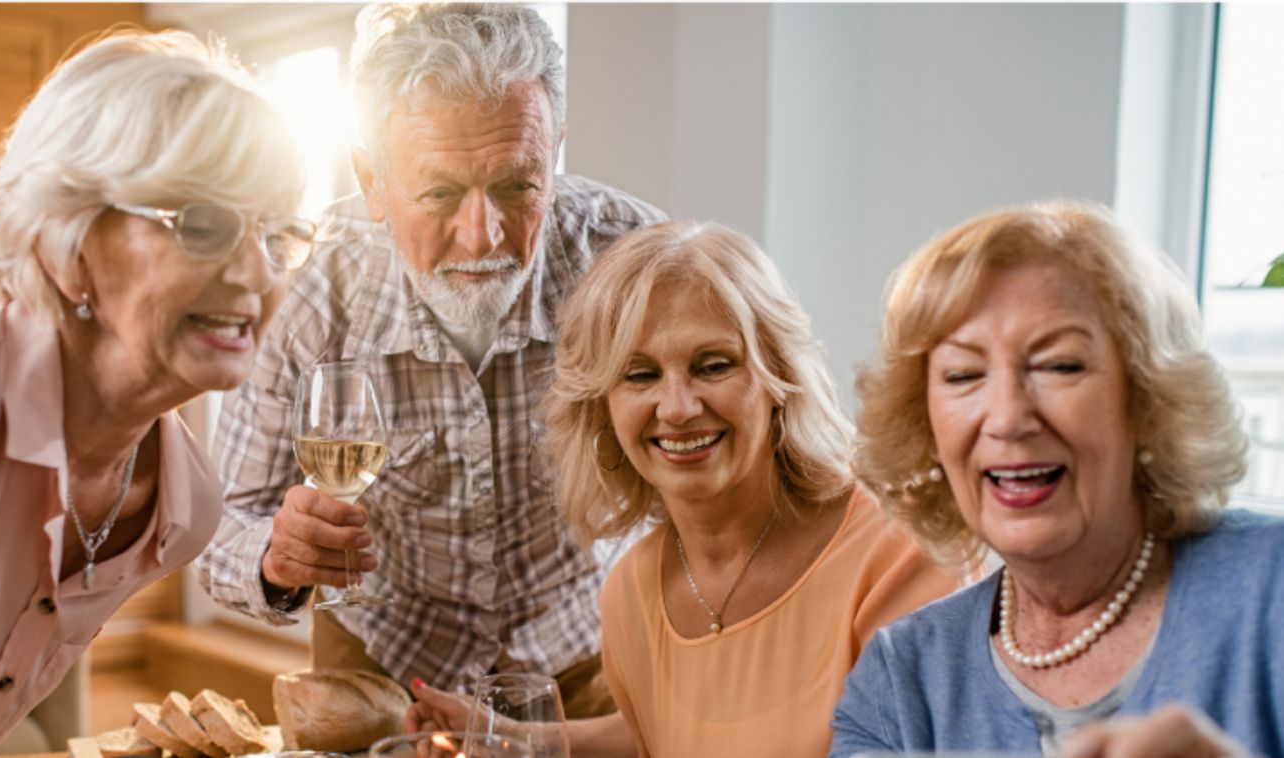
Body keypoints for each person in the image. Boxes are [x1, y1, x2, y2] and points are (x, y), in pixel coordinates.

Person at [197, 3, 664, 715]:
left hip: (583, 648)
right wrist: (274, 556)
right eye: (440, 191)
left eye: (517, 184)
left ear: (554, 150)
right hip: (381, 655)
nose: (481, 236)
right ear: (372, 178)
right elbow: (219, 525)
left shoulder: (629, 256)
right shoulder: (303, 285)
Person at [409, 220, 959, 756]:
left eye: (713, 366)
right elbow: (662, 736)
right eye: (640, 375)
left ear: (778, 378)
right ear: (602, 408)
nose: (677, 408)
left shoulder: (896, 551)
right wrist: (517, 739)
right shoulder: (632, 592)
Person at [0, 30, 311, 755]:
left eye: (275, 233)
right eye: (201, 223)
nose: (253, 273)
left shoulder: (182, 506)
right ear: (65, 241)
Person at [830, 201, 1283, 758]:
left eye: (1059, 366)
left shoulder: (1271, 589)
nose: (1008, 418)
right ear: (926, 428)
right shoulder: (902, 681)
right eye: (964, 375)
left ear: (1146, 399)